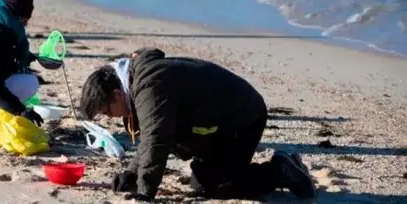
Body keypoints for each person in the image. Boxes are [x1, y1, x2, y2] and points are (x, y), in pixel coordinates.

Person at [80, 48, 317, 202]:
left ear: (116, 94)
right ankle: (283, 167)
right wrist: (132, 173)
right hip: (215, 125)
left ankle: (281, 170)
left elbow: (157, 139)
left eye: (107, 111)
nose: (111, 117)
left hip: (243, 118)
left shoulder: (149, 85)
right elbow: (151, 136)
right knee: (203, 184)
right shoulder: (137, 82)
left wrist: (145, 192)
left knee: (224, 184)